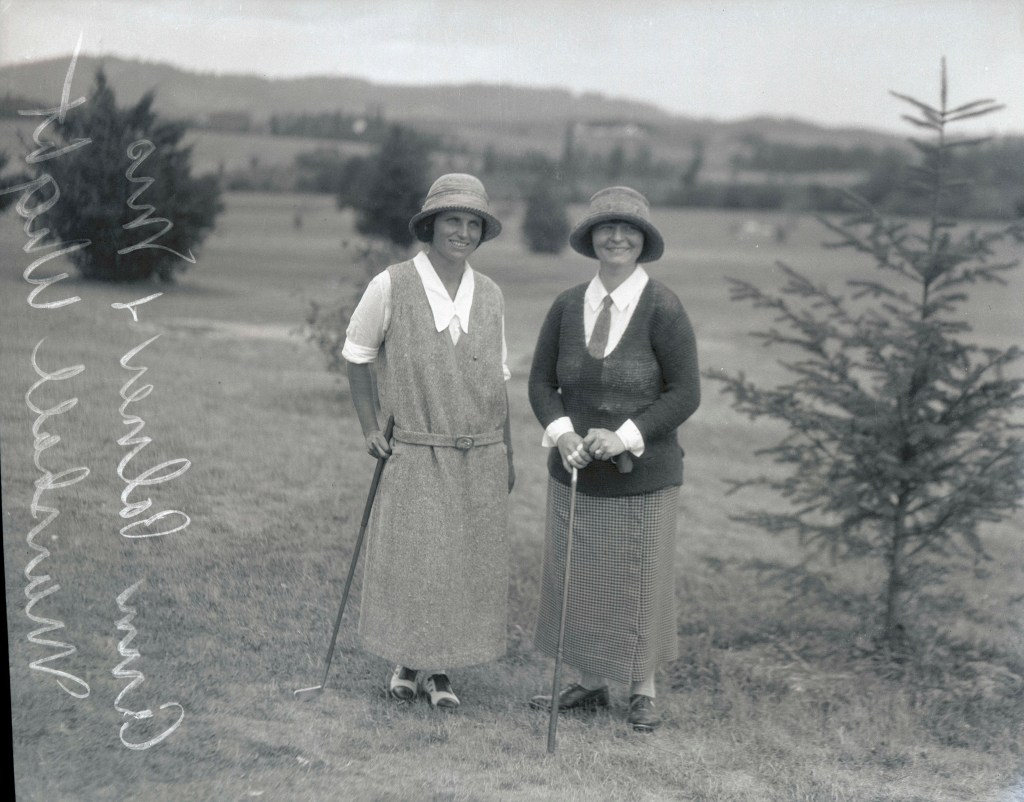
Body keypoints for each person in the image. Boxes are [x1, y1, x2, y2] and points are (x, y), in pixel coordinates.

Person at [527, 186, 700, 732]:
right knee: (580, 577)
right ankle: (591, 681)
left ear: (643, 241)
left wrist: (625, 435)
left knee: (639, 579)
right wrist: (560, 434)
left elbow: (685, 393)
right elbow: (541, 383)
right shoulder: (565, 305)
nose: (617, 237)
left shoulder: (664, 308)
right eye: (606, 228)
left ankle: (642, 689)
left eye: (628, 229)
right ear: (592, 238)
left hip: (644, 479)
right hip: (575, 471)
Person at [341, 173, 514, 709]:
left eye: (472, 224)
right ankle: (407, 661)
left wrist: (505, 451)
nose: (462, 232)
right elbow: (356, 353)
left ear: (481, 233)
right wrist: (371, 428)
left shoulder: (490, 294)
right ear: (430, 225)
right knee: (416, 559)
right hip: (415, 446)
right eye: (452, 221)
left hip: (479, 451)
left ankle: (441, 671)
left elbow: (498, 380)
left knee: (462, 561)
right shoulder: (392, 284)